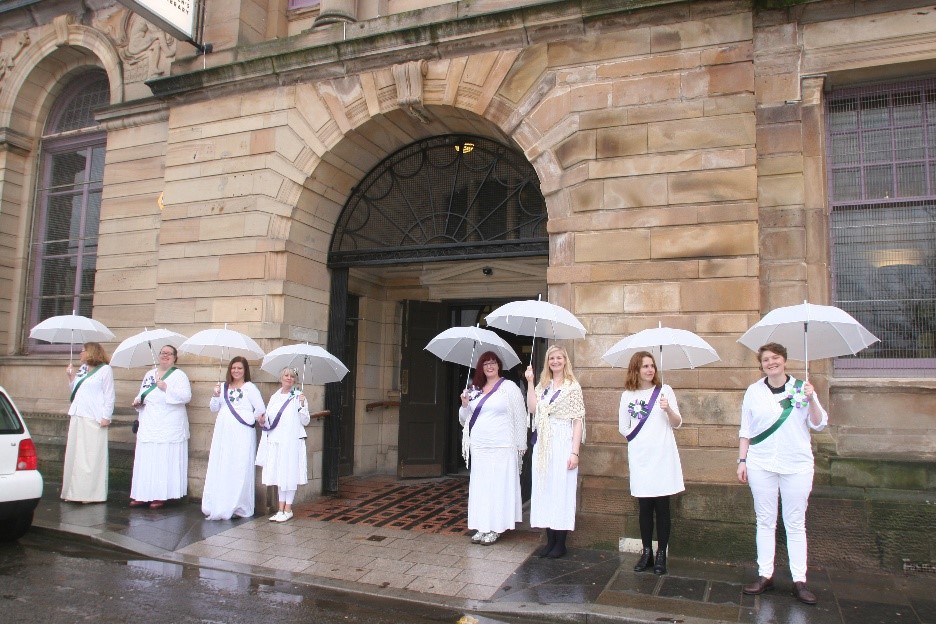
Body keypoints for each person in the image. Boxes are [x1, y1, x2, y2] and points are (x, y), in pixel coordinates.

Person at [738, 342, 827, 606]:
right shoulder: (753, 391)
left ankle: (799, 580)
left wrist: (811, 399)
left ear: (784, 360)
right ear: (761, 364)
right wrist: (742, 460)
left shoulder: (801, 388)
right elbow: (746, 429)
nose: (771, 363)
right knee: (765, 520)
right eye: (766, 360)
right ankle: (765, 575)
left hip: (796, 465)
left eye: (775, 358)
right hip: (761, 464)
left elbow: (819, 423)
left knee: (795, 523)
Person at [617, 351, 684, 575]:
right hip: (641, 457)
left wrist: (668, 409)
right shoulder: (627, 395)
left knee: (662, 506)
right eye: (645, 366)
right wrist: (638, 441)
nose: (650, 370)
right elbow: (623, 427)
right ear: (636, 370)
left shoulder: (665, 391)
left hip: (662, 456)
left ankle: (661, 554)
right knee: (644, 506)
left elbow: (677, 423)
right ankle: (646, 552)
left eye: (652, 366)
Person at [458, 351, 528, 546]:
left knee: (498, 487)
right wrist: (464, 404)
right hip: (480, 446)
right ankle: (482, 526)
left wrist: (521, 444)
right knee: (482, 488)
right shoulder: (474, 389)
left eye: (493, 363)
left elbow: (521, 416)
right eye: (485, 363)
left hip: (502, 445)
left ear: (499, 365)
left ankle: (496, 528)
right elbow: (464, 420)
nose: (489, 366)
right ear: (481, 367)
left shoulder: (509, 387)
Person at [524, 345, 585, 558]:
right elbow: (532, 408)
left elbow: (577, 422)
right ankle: (550, 540)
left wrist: (574, 452)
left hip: (562, 442)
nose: (555, 361)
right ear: (547, 362)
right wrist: (530, 381)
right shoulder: (543, 386)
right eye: (552, 358)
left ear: (565, 361)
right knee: (545, 489)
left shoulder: (572, 387)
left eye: (559, 358)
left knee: (562, 489)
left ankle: (561, 543)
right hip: (544, 443)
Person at [202, 356, 265, 520]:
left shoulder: (250, 387)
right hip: (223, 432)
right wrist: (215, 395)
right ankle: (220, 502)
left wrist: (249, 420)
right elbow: (213, 408)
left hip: (242, 431)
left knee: (239, 465)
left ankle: (238, 504)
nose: (236, 371)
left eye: (240, 368)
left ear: (245, 371)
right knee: (223, 463)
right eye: (233, 368)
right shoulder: (222, 387)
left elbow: (260, 408)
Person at [129, 345, 192, 509]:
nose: (165, 356)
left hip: (168, 423)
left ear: (175, 358)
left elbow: (186, 396)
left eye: (169, 354)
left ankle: (160, 495)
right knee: (147, 459)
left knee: (163, 460)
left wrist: (166, 388)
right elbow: (142, 393)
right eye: (162, 353)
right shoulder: (149, 374)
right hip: (149, 421)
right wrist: (138, 400)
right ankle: (142, 494)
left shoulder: (179, 375)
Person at [62, 342, 115, 503]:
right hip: (78, 414)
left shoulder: (105, 370)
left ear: (91, 352)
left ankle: (90, 494)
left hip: (94, 417)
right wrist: (71, 377)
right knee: (75, 454)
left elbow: (109, 394)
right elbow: (78, 390)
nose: (80, 353)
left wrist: (106, 416)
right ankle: (72, 492)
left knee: (90, 457)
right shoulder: (83, 370)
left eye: (83, 351)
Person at [256, 367, 310, 523]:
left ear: (295, 380)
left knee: (290, 473)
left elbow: (305, 420)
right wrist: (262, 420)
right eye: (286, 375)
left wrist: (301, 405)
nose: (289, 378)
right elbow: (269, 418)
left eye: (292, 376)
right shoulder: (274, 396)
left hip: (292, 441)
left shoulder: (298, 396)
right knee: (280, 474)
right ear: (281, 378)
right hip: (277, 440)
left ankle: (288, 508)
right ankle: (280, 509)